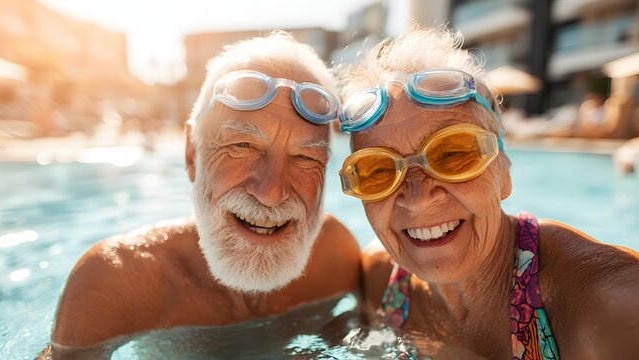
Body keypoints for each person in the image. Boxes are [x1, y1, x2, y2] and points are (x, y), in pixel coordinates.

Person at [45, 32, 361, 356]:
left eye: (306, 158)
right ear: (191, 154)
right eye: (242, 146)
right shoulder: (117, 284)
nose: (272, 193)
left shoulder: (336, 259)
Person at [337, 27, 639, 359]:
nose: (418, 196)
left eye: (452, 155)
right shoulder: (379, 279)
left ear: (504, 173)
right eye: (377, 170)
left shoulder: (600, 301)